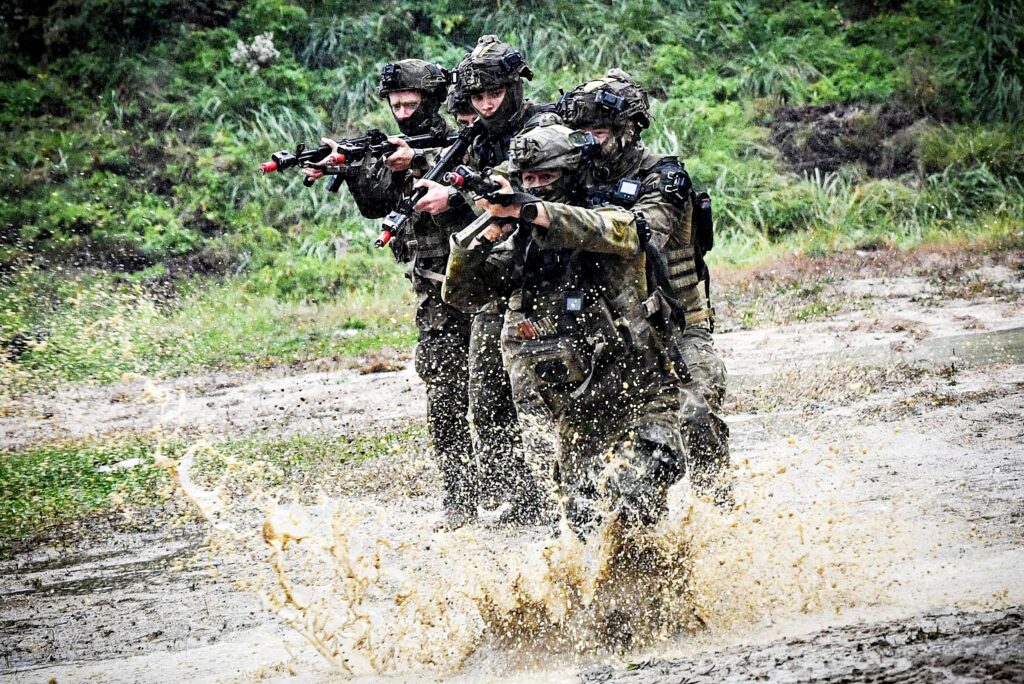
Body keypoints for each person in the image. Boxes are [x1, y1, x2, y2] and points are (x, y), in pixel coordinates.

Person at [443, 117, 688, 535]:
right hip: (578, 406)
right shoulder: (521, 242)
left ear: (571, 175)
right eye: (528, 179)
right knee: (581, 516)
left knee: (639, 491)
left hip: (641, 389)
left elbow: (621, 233)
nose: (536, 185)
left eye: (547, 176)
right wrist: (482, 240)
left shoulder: (607, 213)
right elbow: (462, 295)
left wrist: (535, 211)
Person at [306, 59, 478, 529]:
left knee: (493, 391)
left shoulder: (467, 138)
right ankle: (460, 493)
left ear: (432, 101)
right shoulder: (395, 147)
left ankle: (516, 488)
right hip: (434, 289)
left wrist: (417, 161)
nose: (402, 112)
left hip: (483, 283)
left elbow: (471, 187)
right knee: (443, 388)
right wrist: (352, 165)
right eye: (395, 104)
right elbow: (377, 205)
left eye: (411, 103)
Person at [557, 69, 733, 503]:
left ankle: (716, 506)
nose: (588, 142)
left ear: (629, 129)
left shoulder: (663, 177)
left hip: (677, 325)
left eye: (597, 131)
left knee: (695, 412)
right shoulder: (573, 176)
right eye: (579, 133)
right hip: (610, 330)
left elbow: (642, 235)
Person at [416, 36, 553, 524]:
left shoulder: (544, 128)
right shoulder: (477, 136)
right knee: (486, 392)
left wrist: (457, 198)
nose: (486, 104)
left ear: (514, 87)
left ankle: (562, 495)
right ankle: (523, 500)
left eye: (494, 93)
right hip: (498, 279)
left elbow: (515, 189)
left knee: (538, 395)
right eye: (477, 97)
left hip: (545, 278)